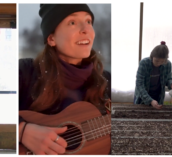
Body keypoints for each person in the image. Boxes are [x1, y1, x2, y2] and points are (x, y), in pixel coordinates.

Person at [18, 4, 110, 154]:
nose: (86, 29)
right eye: (72, 23)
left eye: (88, 21)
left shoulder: (106, 81)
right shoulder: (24, 72)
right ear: (52, 38)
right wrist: (21, 131)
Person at [134, 41, 172, 109]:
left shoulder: (168, 64)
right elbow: (139, 84)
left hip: (158, 96)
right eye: (157, 61)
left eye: (162, 61)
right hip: (142, 96)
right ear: (152, 56)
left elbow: (168, 78)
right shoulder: (144, 63)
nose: (159, 63)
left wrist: (171, 84)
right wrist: (150, 100)